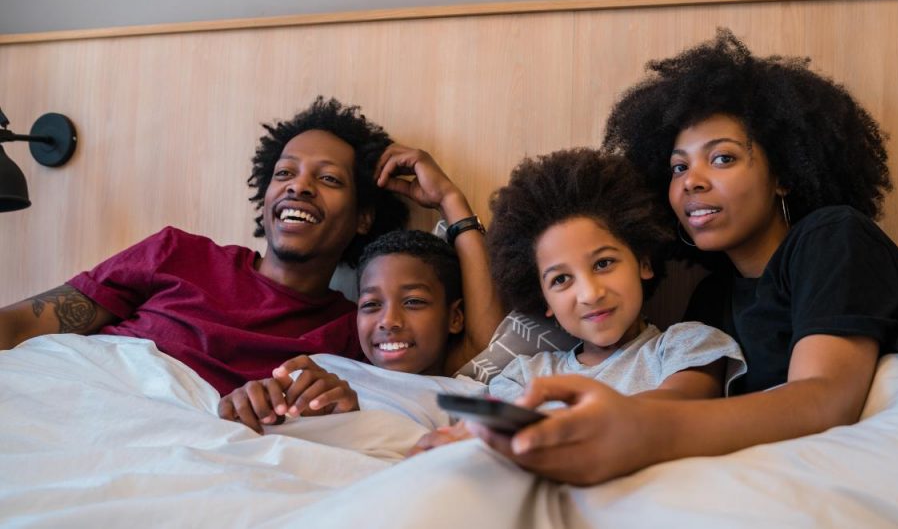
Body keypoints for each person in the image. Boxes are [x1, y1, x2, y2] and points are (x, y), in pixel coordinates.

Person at [469, 29, 898, 485]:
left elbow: (824, 401)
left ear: (784, 173)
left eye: (722, 158)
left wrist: (638, 429)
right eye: (678, 167)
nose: (691, 181)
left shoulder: (833, 237)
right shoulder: (712, 298)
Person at [0, 97, 418, 396]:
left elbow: (466, 370)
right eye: (284, 172)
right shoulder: (177, 253)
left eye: (328, 179)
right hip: (64, 394)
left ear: (365, 215)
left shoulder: (358, 331)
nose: (299, 186)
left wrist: (453, 205)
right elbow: (19, 325)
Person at [410, 148, 744, 453]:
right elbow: (496, 436)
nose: (590, 293)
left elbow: (677, 406)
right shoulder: (525, 375)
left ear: (643, 262)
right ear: (544, 300)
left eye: (603, 263)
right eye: (561, 280)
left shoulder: (689, 345)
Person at [217, 148, 505, 433]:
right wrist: (251, 400)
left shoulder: (464, 397)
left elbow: (487, 339)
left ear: (455, 318)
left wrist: (449, 198)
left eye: (414, 301)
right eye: (370, 304)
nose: (389, 320)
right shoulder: (323, 367)